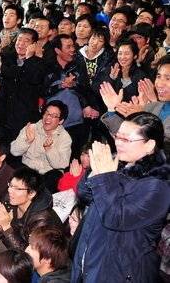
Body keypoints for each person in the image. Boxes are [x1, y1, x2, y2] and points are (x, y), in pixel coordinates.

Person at [72, 113, 170, 282]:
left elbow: (116, 217)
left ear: (150, 145)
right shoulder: (121, 165)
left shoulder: (158, 186)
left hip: (120, 272)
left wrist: (104, 177)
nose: (118, 143)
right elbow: (84, 193)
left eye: (126, 140)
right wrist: (96, 170)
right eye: (118, 137)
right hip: (90, 258)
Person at [10, 101, 72, 193]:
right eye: (46, 113)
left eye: (54, 116)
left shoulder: (65, 137)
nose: (48, 118)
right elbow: (14, 151)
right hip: (28, 169)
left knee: (55, 176)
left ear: (61, 121)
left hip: (47, 174)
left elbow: (62, 164)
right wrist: (28, 141)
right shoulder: (31, 128)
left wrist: (49, 150)